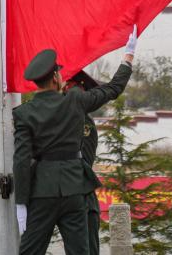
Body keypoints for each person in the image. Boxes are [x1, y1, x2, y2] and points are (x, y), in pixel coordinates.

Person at [12, 30, 138, 255]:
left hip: (42, 192)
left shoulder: (24, 114)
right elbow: (112, 89)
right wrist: (127, 57)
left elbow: (21, 159)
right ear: (55, 78)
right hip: (74, 189)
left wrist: (21, 202)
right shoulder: (75, 100)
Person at [66, 70, 102, 255]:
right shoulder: (66, 120)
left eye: (70, 87)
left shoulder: (84, 123)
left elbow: (84, 164)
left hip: (84, 201)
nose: (65, 91)